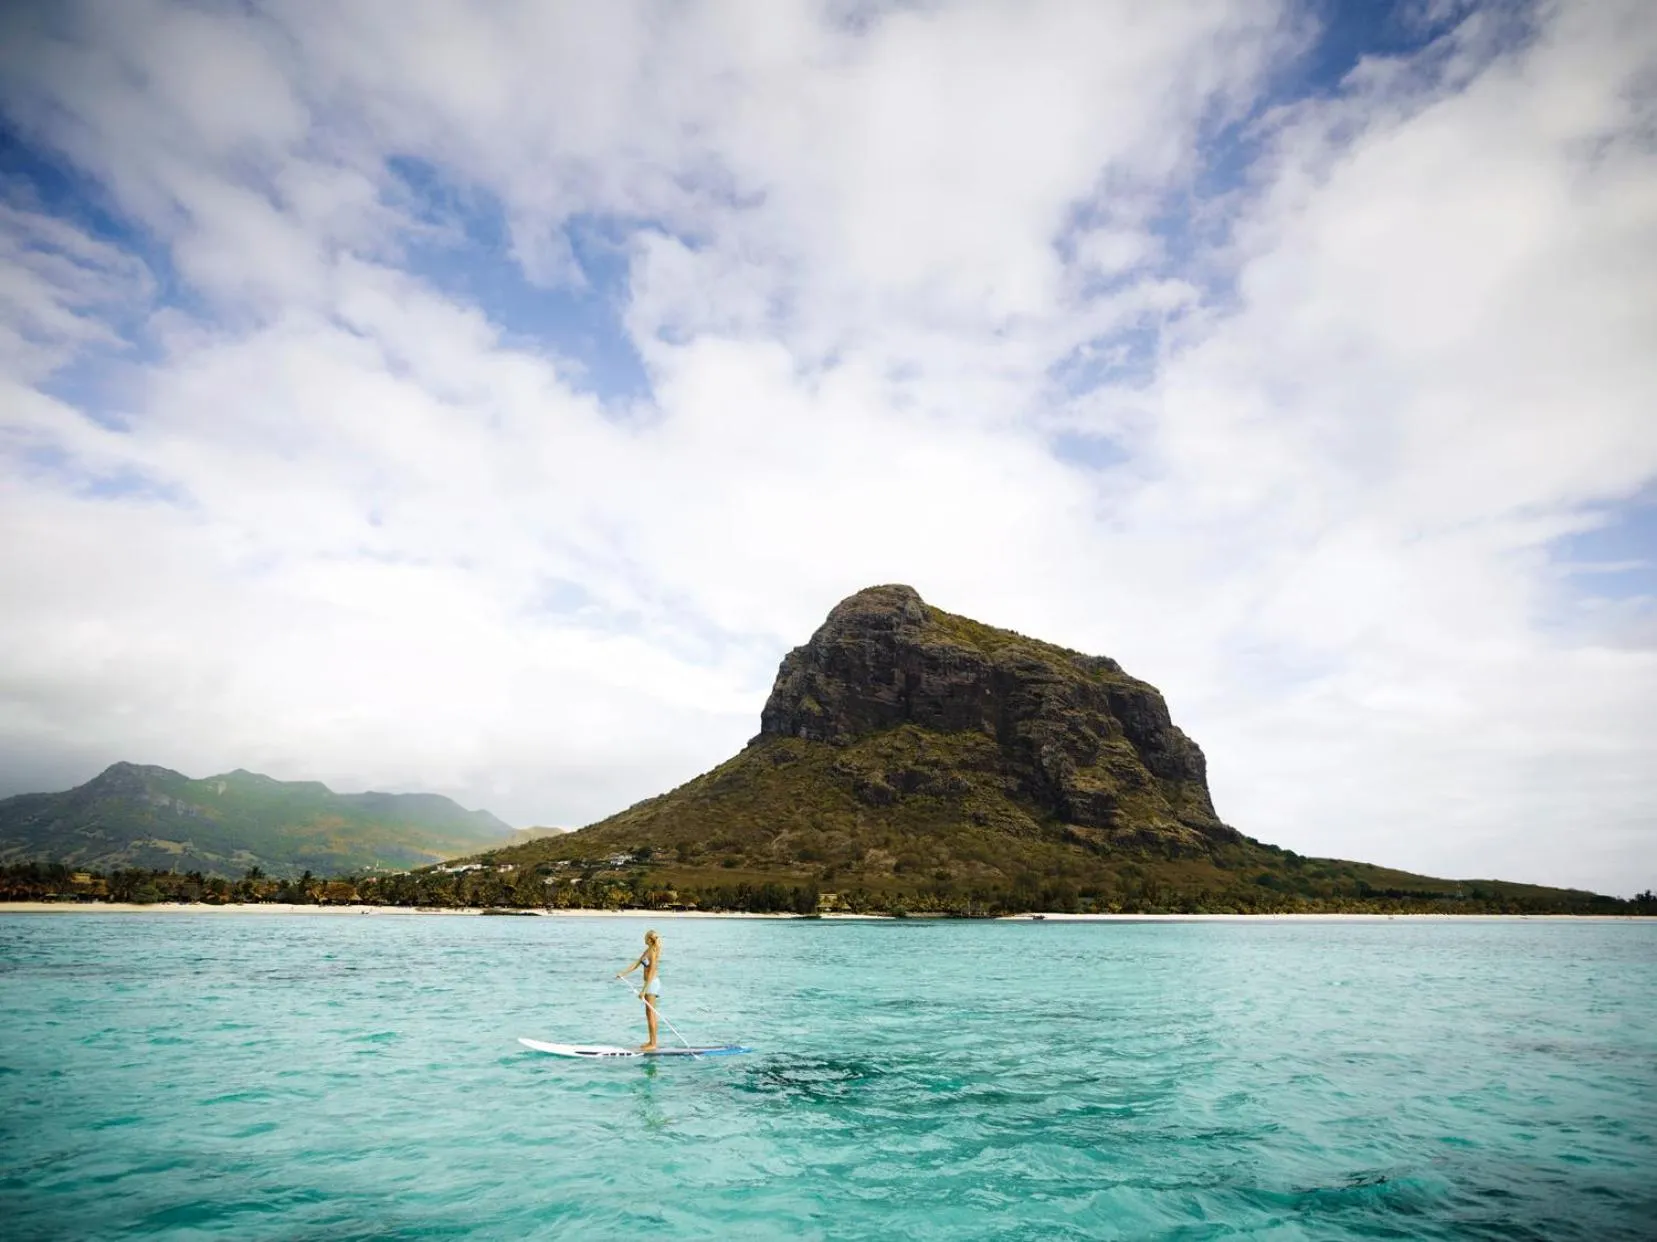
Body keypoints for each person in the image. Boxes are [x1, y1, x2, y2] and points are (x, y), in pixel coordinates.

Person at [615, 928, 663, 1051]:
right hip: (648, 984)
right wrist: (623, 973)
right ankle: (651, 1041)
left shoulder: (652, 952)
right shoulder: (647, 951)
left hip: (651, 984)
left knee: (651, 1014)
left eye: (645, 937)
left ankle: (654, 1043)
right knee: (648, 1014)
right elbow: (636, 964)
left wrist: (643, 990)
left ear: (649, 939)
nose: (643, 938)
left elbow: (651, 972)